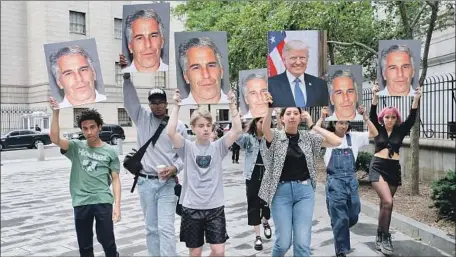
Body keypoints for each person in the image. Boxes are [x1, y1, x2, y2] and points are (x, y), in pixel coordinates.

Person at [258, 92, 342, 257]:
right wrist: (269, 109)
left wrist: (313, 126)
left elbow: (336, 141)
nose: (292, 116)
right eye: (288, 113)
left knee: (303, 245)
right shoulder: (275, 136)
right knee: (283, 243)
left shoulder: (308, 138)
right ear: (282, 118)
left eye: (295, 113)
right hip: (280, 193)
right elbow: (265, 128)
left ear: (300, 117)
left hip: (304, 192)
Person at [120, 56, 187, 256]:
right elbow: (129, 99)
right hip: (145, 183)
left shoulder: (178, 126)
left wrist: (175, 168)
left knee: (166, 228)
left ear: (166, 104)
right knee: (151, 229)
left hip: (167, 184)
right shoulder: (141, 118)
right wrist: (126, 76)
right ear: (149, 104)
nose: (157, 106)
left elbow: (184, 155)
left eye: (160, 102)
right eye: (153, 102)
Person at [167, 89, 242, 257]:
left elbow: (237, 130)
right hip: (192, 207)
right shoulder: (187, 147)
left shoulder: (218, 147)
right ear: (193, 128)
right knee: (195, 253)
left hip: (215, 207)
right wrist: (176, 106)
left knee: (219, 251)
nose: (206, 129)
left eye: (208, 125)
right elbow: (171, 132)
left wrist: (232, 104)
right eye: (201, 126)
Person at [48, 100, 121, 257]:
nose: (89, 132)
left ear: (99, 127)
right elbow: (54, 138)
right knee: (85, 246)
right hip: (81, 202)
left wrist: (117, 206)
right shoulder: (75, 147)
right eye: (85, 128)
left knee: (107, 241)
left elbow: (115, 179)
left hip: (103, 201)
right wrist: (56, 112)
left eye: (92, 127)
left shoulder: (110, 151)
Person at [315, 106, 379, 257]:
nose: (343, 126)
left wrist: (365, 117)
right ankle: (342, 251)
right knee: (341, 218)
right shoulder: (326, 138)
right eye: (340, 123)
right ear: (334, 124)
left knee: (354, 213)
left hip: (351, 181)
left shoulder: (354, 137)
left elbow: (374, 133)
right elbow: (312, 134)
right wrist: (321, 118)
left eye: (345, 123)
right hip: (335, 182)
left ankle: (338, 224)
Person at [369, 83, 421, 255]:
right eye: (386, 117)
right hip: (377, 167)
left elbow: (412, 118)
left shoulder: (400, 130)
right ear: (382, 118)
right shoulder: (377, 129)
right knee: (388, 202)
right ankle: (385, 237)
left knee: (386, 205)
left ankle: (380, 236)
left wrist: (416, 98)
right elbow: (371, 113)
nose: (389, 120)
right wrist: (375, 95)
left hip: (393, 169)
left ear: (396, 119)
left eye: (392, 117)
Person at [235, 117, 273, 251]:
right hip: (252, 174)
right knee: (253, 204)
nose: (262, 124)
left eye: (265, 121)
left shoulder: (271, 137)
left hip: (267, 174)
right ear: (255, 123)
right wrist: (237, 120)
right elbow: (237, 138)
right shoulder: (248, 138)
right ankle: (257, 236)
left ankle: (265, 221)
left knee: (266, 203)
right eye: (260, 121)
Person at [268, 40, 329, 108]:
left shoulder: (320, 85)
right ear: (284, 60)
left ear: (307, 59)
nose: (298, 62)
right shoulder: (270, 85)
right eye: (293, 58)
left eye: (302, 58)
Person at [178, 37, 229, 105]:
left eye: (211, 66)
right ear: (186, 77)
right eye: (196, 68)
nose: (206, 75)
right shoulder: (178, 112)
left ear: (221, 71)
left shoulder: (236, 108)